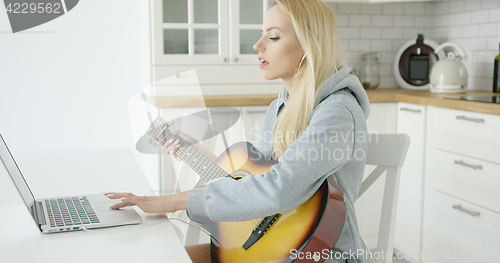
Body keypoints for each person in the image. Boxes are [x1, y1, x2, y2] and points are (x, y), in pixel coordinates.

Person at [105, 0, 370, 262]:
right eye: (261, 34)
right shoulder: (279, 108)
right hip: (276, 247)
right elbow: (255, 186)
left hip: (322, 254)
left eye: (274, 37)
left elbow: (279, 189)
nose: (257, 45)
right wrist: (198, 154)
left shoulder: (338, 112)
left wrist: (174, 201)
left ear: (309, 44)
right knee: (166, 258)